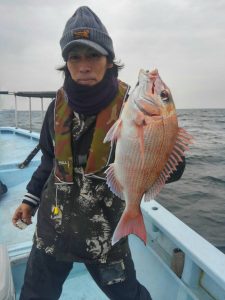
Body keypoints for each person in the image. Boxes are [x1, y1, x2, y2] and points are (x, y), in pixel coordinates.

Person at [12, 6, 185, 300]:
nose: (84, 66)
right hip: (51, 233)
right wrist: (30, 200)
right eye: (74, 57)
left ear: (109, 60)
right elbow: (49, 160)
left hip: (104, 237)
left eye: (93, 55)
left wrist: (165, 137)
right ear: (66, 63)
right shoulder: (57, 107)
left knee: (129, 296)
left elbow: (173, 169)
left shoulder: (132, 106)